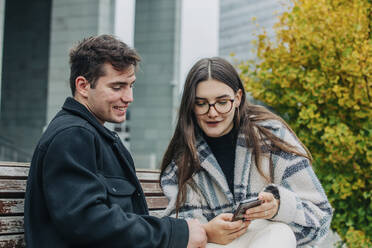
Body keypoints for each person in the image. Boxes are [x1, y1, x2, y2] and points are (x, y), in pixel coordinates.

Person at [24, 34, 207, 248]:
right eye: (117, 87)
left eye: (131, 85)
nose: (129, 97)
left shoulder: (93, 134)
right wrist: (175, 234)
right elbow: (87, 222)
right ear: (83, 86)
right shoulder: (72, 136)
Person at [160, 57, 333, 247]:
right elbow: (182, 231)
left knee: (279, 231)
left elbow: (320, 218)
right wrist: (208, 232)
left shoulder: (273, 138)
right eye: (201, 103)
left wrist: (278, 208)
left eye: (222, 101)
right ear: (191, 106)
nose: (213, 112)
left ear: (238, 98)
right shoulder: (182, 162)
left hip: (269, 241)